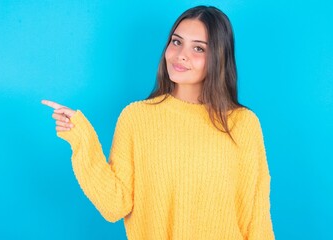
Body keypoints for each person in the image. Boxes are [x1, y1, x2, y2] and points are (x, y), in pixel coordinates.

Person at [42, 5, 275, 240]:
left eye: (198, 48)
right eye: (176, 42)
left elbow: (256, 221)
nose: (181, 55)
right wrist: (82, 140)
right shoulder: (136, 117)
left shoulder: (243, 124)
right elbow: (115, 206)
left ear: (219, 57)